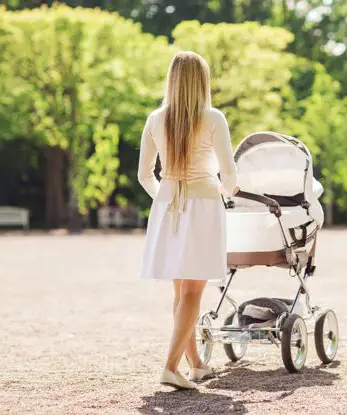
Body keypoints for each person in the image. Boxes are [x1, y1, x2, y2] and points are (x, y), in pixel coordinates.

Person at [137, 51, 238, 389]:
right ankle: (169, 366)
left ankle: (196, 364)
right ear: (203, 82)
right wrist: (229, 191)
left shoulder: (155, 119)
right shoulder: (213, 119)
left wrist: (167, 201)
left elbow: (144, 176)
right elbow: (229, 176)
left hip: (168, 207)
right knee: (193, 292)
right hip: (203, 206)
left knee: (181, 293)